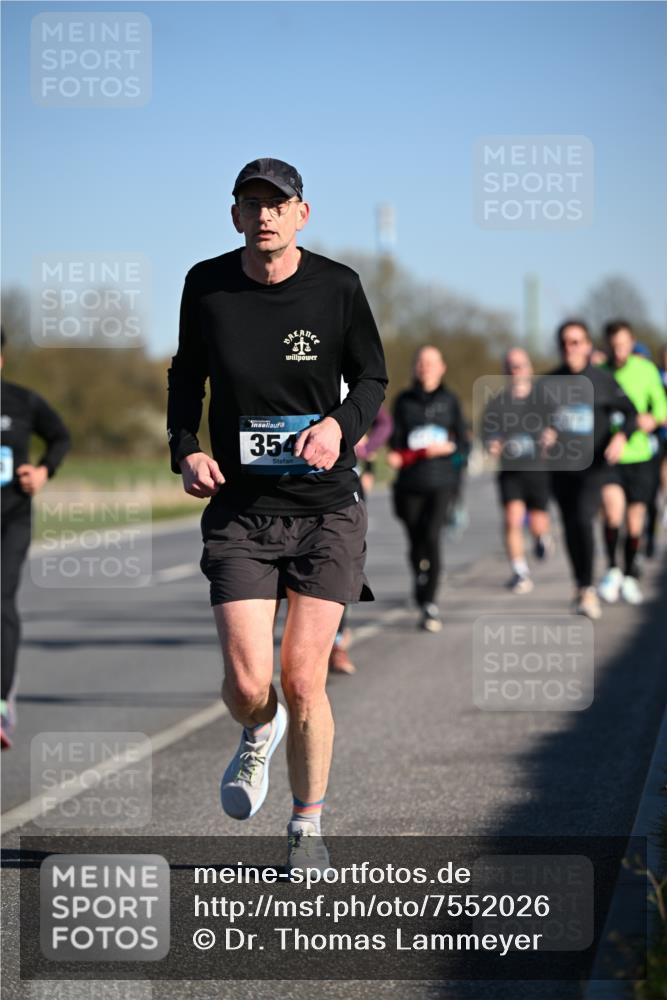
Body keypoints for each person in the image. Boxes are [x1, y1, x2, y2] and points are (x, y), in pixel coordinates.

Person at [167, 158, 387, 871]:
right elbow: (186, 377)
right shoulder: (207, 285)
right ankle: (256, 733)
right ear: (234, 215)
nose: (263, 214)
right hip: (241, 509)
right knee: (248, 686)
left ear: (302, 213)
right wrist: (184, 450)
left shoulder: (339, 288)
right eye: (250, 203)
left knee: (303, 679)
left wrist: (339, 426)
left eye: (277, 203)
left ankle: (306, 829)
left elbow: (374, 376)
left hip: (324, 508)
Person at [1, 329, 71, 748]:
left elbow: (60, 436)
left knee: (1, 598)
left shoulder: (21, 402)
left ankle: (2, 699)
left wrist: (43, 470)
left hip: (10, 517)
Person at [546, 320, 636, 619]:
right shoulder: (549, 382)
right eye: (565, 343)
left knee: (584, 519)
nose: (570, 348)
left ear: (587, 346)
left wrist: (622, 436)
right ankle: (581, 584)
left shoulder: (602, 380)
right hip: (561, 469)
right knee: (571, 525)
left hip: (593, 466)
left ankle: (587, 589)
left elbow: (631, 412)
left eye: (576, 342)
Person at [387, 345, 468, 633]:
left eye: (431, 363)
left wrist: (452, 451)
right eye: (421, 363)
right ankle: (420, 578)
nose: (425, 368)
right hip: (410, 483)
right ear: (414, 367)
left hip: (441, 482)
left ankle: (430, 604)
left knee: (432, 537)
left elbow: (463, 442)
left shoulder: (450, 400)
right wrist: (398, 453)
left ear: (442, 367)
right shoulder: (403, 401)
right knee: (415, 542)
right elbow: (395, 441)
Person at [597, 324, 667, 604]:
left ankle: (629, 574)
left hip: (641, 455)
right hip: (609, 457)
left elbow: (662, 407)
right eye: (613, 346)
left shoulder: (646, 371)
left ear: (632, 343)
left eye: (623, 345)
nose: (618, 351)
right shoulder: (600, 374)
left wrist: (653, 418)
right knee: (613, 513)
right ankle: (613, 568)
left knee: (634, 521)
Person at [482, 347, 553, 594]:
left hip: (539, 470)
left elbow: (558, 427)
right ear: (505, 371)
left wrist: (551, 436)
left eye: (520, 366)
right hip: (510, 471)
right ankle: (520, 571)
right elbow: (488, 432)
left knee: (537, 522)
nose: (516, 371)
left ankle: (541, 537)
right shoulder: (498, 403)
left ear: (529, 369)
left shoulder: (543, 400)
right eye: (511, 367)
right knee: (512, 518)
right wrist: (492, 443)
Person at [328, 405, 393, 675]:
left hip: (346, 489)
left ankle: (338, 644)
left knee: (340, 569)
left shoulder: (347, 380)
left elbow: (383, 421)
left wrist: (367, 451)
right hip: (295, 489)